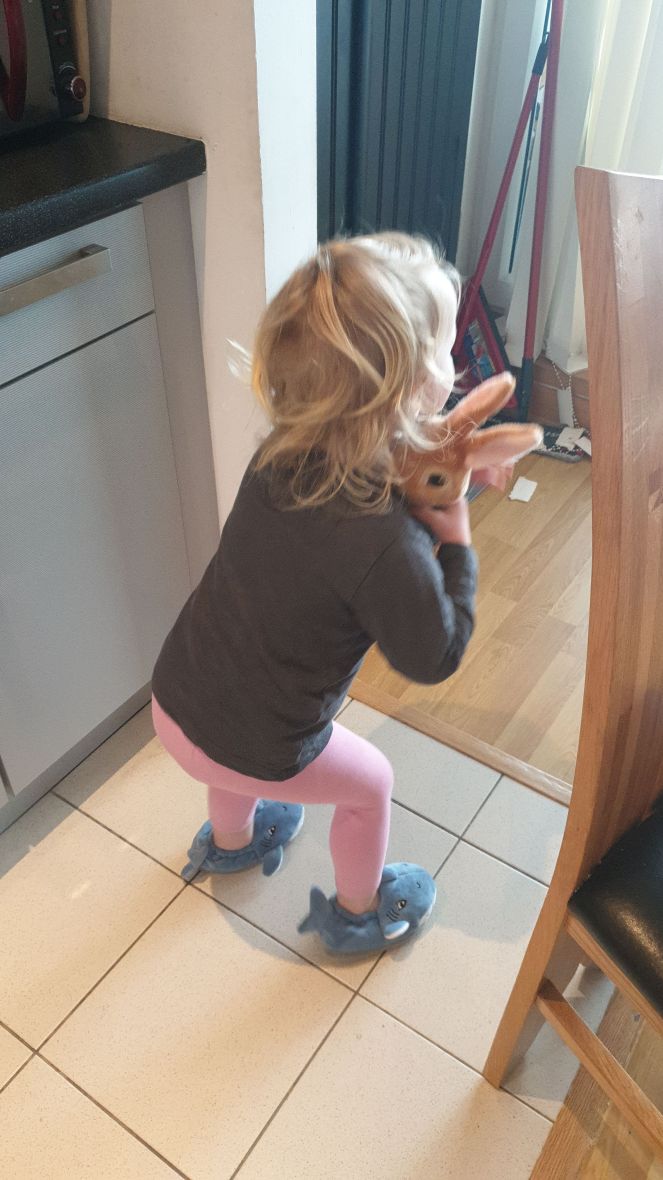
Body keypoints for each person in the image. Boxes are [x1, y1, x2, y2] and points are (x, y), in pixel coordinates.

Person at [151, 232, 477, 954]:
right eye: (445, 343)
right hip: (257, 745)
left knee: (232, 727)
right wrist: (454, 539)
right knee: (370, 782)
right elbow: (434, 653)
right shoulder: (383, 537)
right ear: (405, 384)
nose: (454, 355)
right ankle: (358, 915)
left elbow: (330, 538)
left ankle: (232, 840)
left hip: (175, 697)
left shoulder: (281, 451)